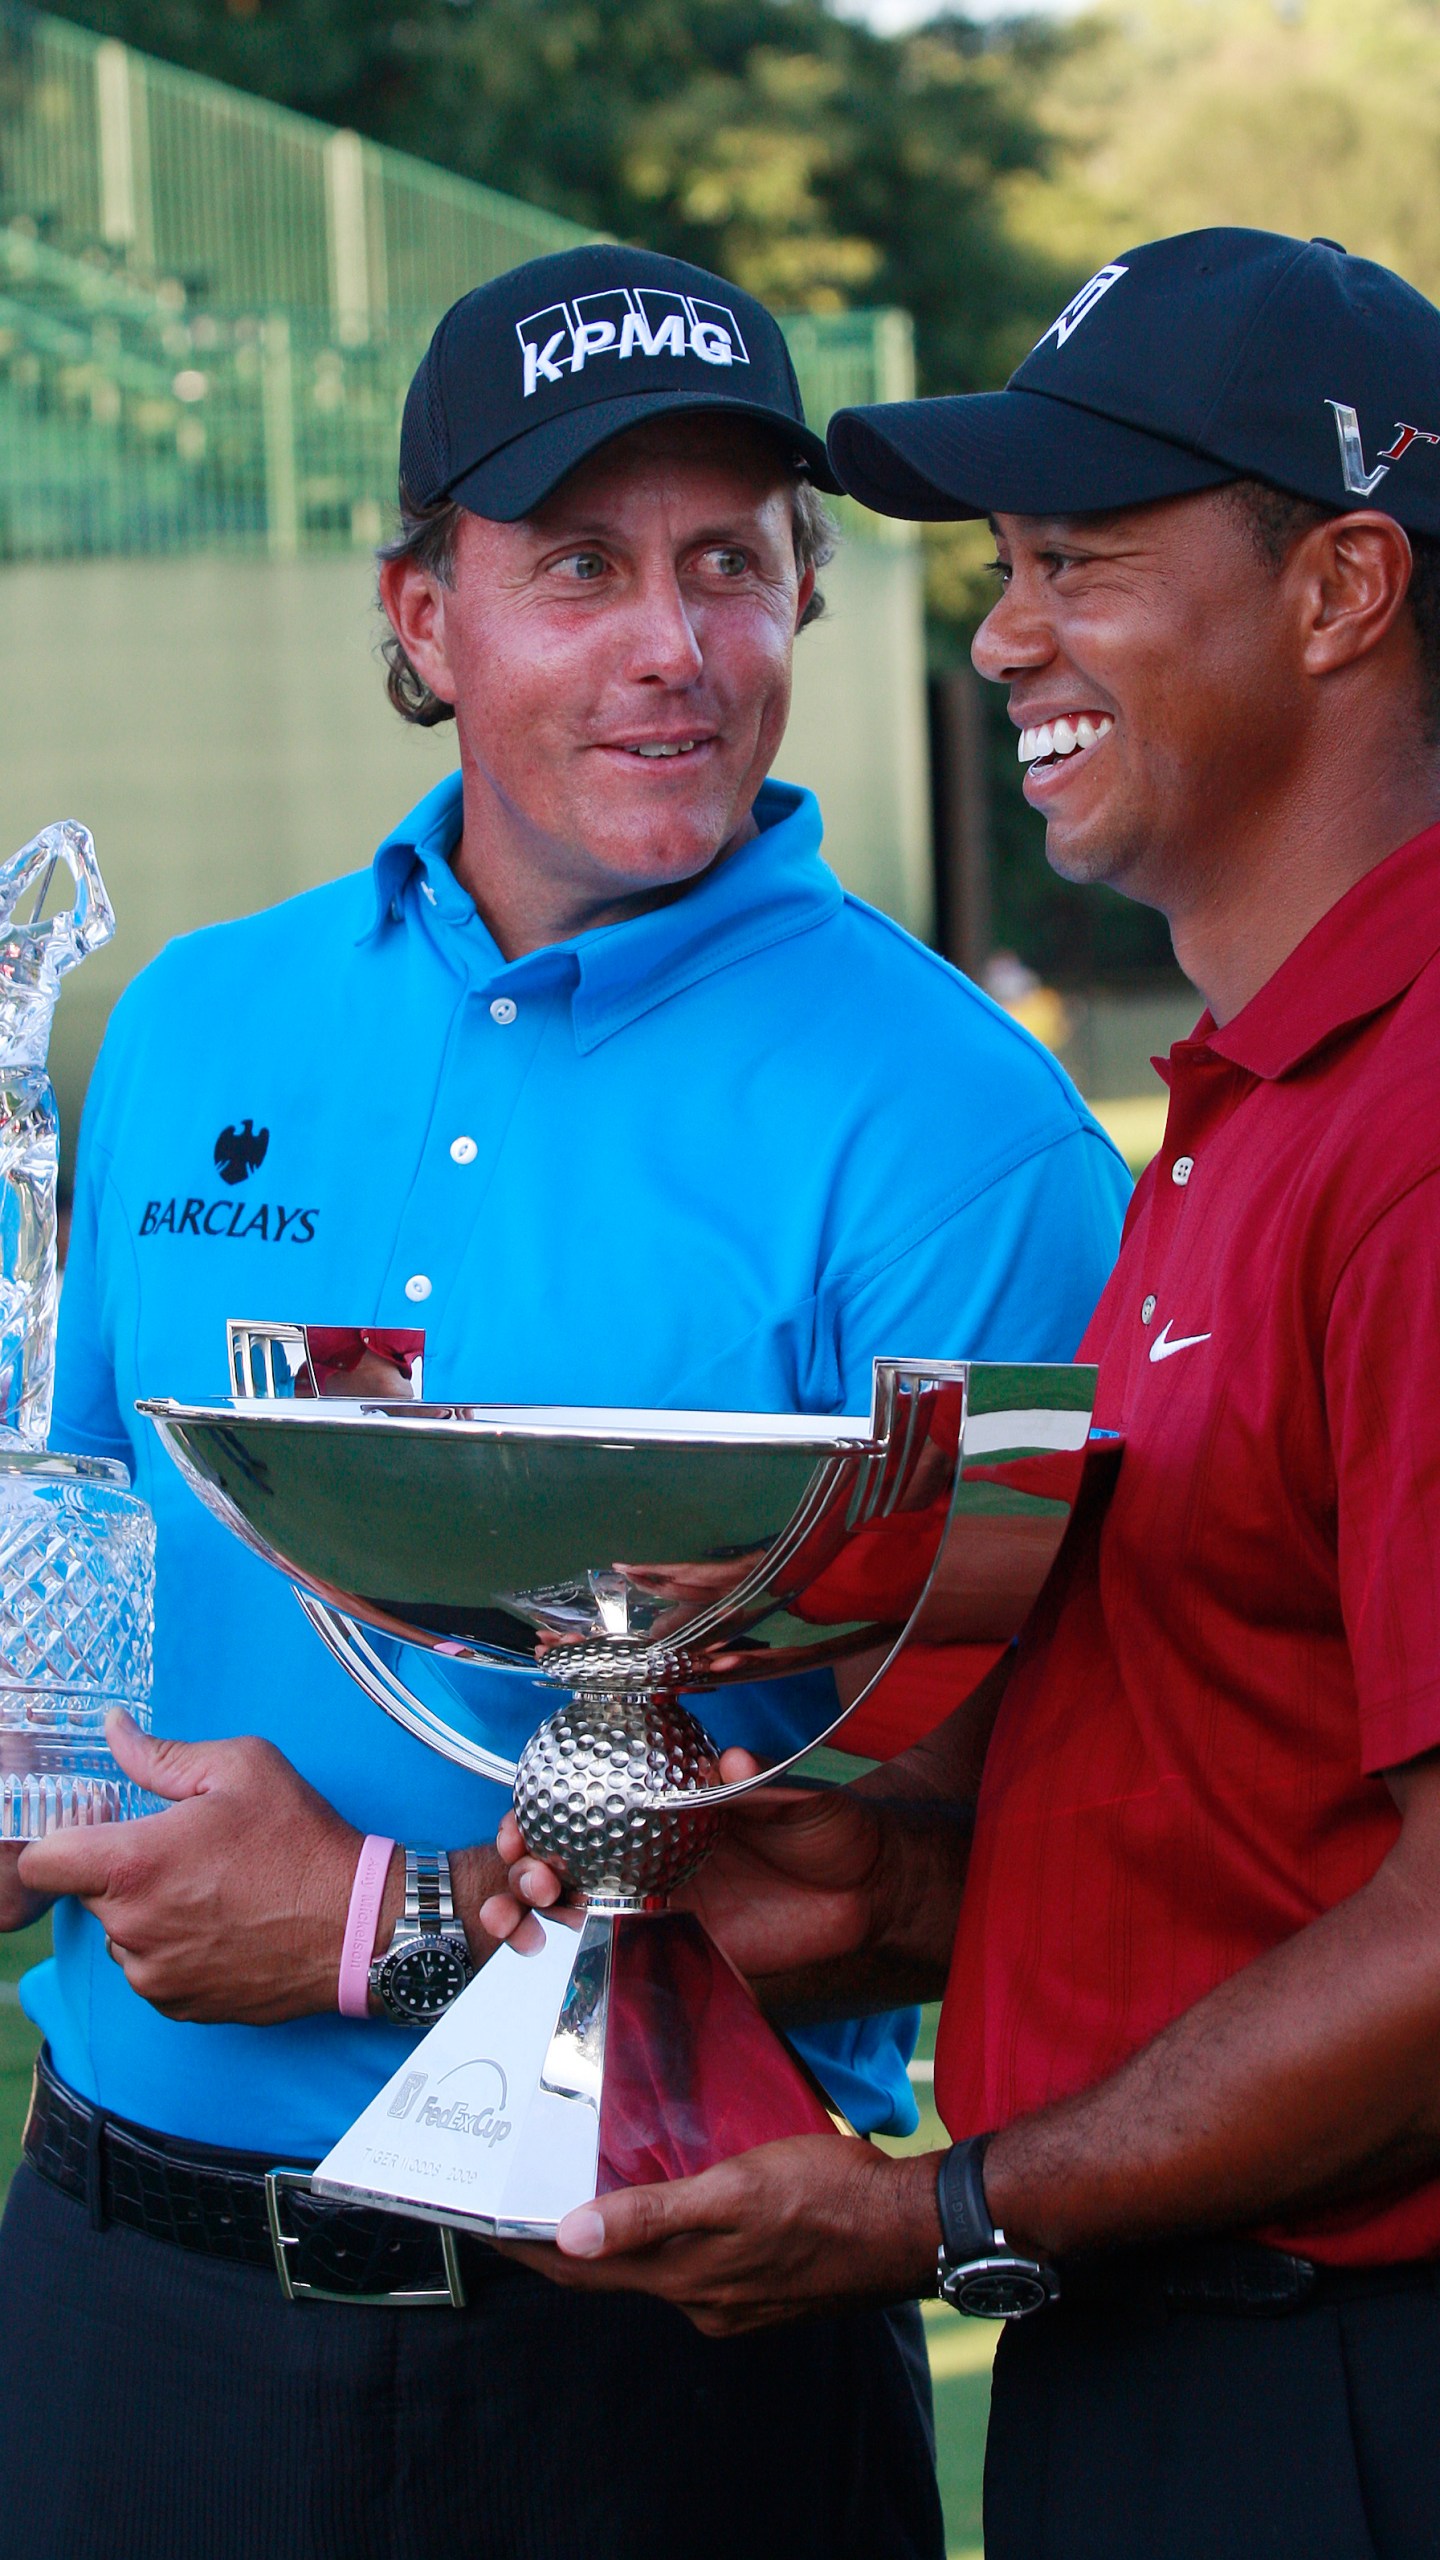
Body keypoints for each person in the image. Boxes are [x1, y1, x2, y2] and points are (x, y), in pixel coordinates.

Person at [0, 242, 1126, 2560]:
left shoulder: (966, 1128)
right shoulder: (196, 1026)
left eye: (731, 562)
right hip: (126, 2296)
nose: (672, 648)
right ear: (422, 617)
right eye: (581, 566)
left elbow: (989, 1863)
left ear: (804, 597)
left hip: (651, 2339)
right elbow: (85, 1575)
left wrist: (375, 1927)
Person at [482, 226, 1440, 2560]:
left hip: (1339, 2381)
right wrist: (886, 1878)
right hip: (1172, 2358)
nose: (1003, 632)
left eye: (1080, 562)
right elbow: (1243, 1799)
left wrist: (947, 2211)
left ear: (1340, 587)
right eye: (1003, 569)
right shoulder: (1255, 1101)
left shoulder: (1414, 1120)